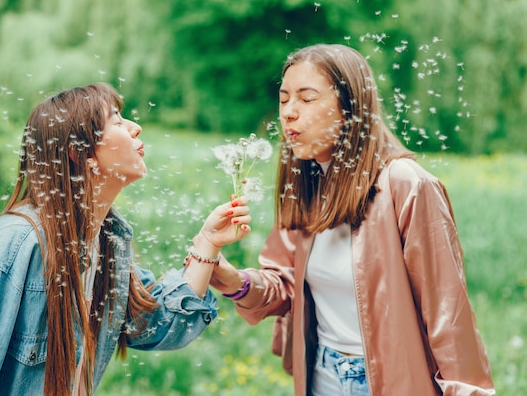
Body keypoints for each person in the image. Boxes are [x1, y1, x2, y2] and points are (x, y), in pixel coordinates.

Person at [0, 82, 252, 395]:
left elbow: (159, 324)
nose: (135, 127)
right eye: (117, 121)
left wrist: (208, 242)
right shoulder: (9, 248)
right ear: (79, 153)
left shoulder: (106, 246)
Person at [209, 44, 495, 395]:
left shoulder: (407, 185)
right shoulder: (306, 186)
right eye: (284, 99)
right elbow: (284, 283)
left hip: (393, 384)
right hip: (321, 377)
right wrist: (231, 279)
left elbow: (448, 316)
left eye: (307, 98)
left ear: (350, 108)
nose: (289, 113)